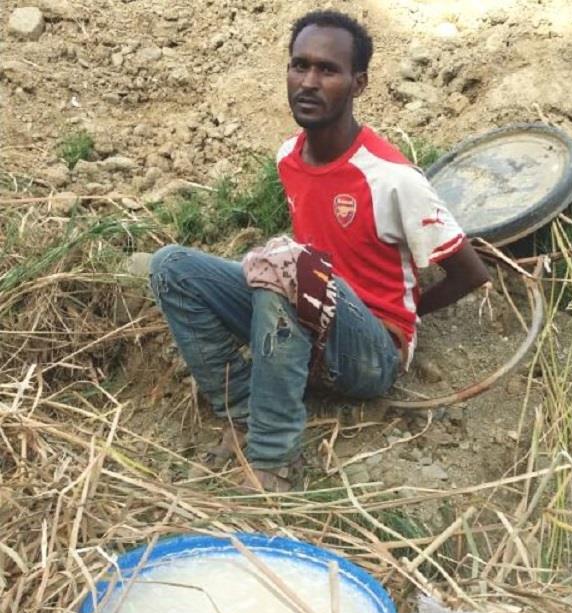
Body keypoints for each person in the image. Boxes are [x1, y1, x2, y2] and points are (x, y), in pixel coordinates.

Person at [149, 10, 490, 492]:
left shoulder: (392, 179)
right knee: (172, 267)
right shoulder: (288, 157)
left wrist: (407, 317)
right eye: (299, 65)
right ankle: (242, 410)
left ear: (359, 83)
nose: (308, 82)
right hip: (310, 320)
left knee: (288, 263)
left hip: (370, 352)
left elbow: (469, 273)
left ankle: (273, 459)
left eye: (328, 70)